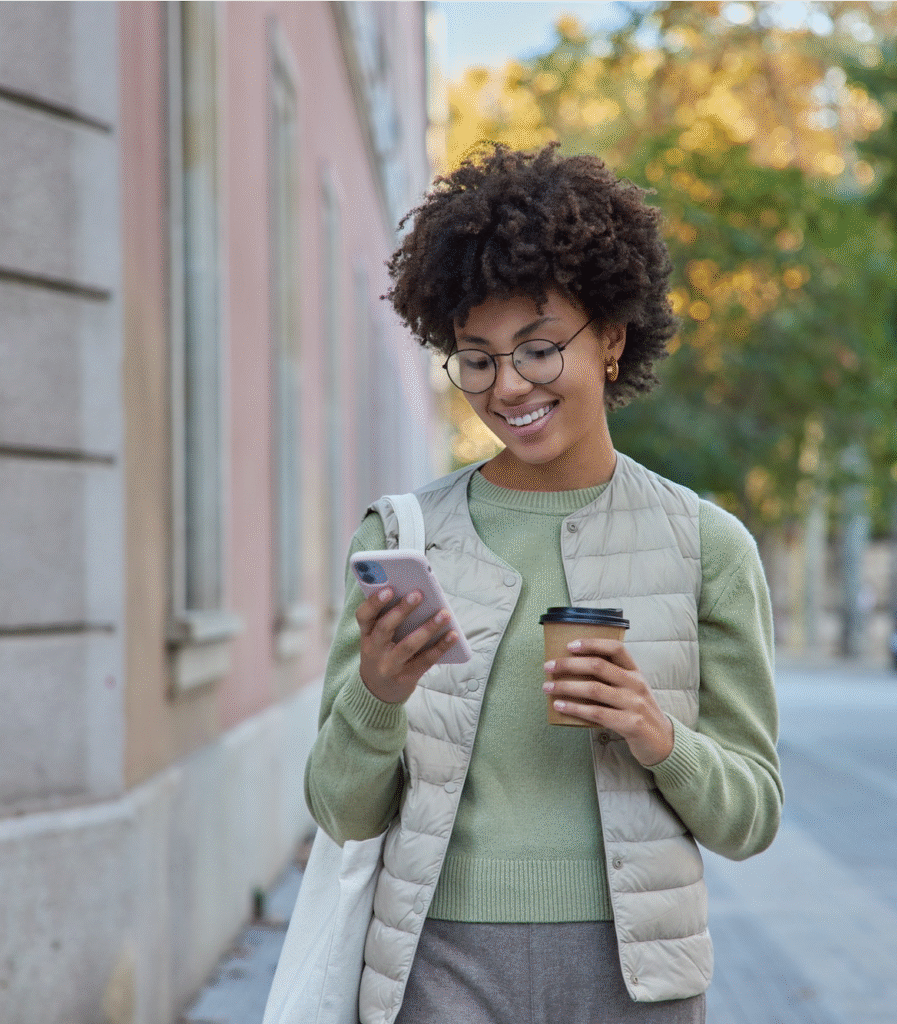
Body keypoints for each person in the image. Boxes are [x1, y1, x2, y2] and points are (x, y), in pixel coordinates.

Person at [305, 144, 783, 1024]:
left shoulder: (707, 546)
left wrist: (655, 731)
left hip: (636, 976)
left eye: (536, 348)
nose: (507, 386)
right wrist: (377, 694)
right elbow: (340, 808)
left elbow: (751, 815)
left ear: (610, 336)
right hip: (435, 965)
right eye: (475, 358)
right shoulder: (404, 538)